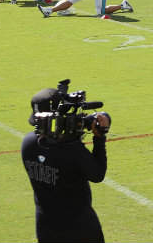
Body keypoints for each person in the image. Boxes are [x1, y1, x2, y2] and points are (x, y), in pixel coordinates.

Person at [21, 86, 110, 243]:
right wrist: (99, 137)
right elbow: (97, 174)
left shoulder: (27, 143)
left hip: (45, 227)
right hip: (80, 228)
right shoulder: (71, 149)